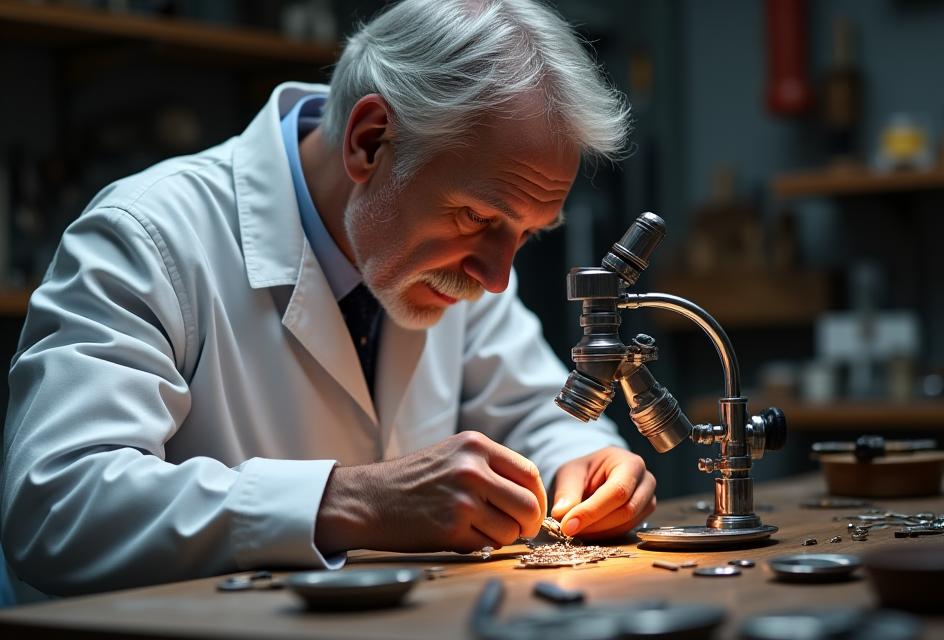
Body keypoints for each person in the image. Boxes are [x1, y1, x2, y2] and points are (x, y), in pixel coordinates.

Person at [0, 0, 656, 601]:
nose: (494, 276)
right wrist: (345, 502)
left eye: (526, 234)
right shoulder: (151, 236)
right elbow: (55, 507)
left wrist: (587, 468)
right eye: (476, 217)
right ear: (369, 141)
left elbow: (534, 416)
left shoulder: (462, 260)